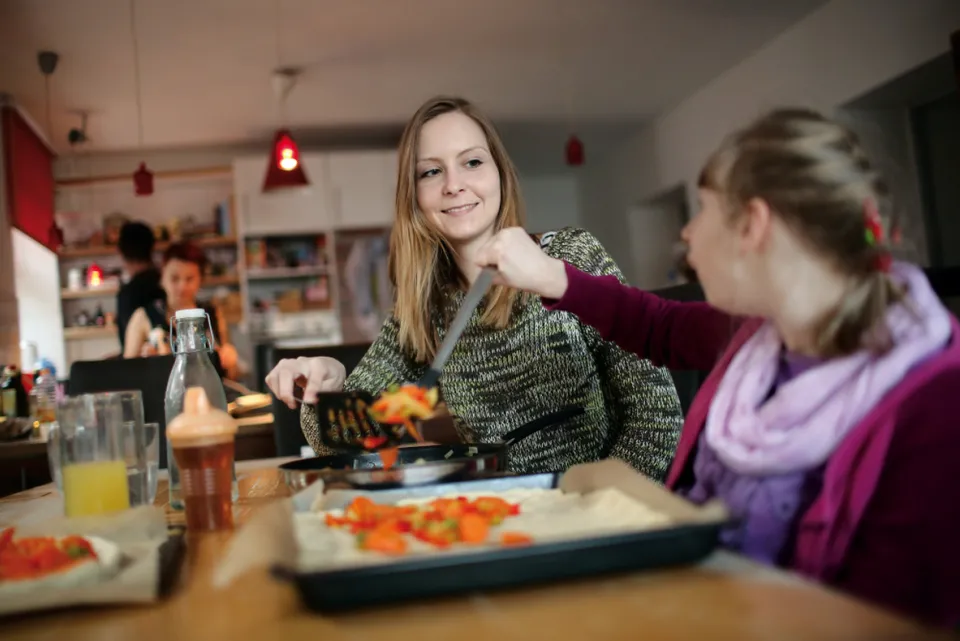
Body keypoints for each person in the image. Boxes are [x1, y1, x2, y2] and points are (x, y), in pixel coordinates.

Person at [475, 108, 960, 627]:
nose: (687, 232)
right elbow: (656, 326)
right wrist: (551, 277)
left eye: (703, 209)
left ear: (752, 225)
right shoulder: (756, 335)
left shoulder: (938, 411)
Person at [266, 95, 683, 479]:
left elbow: (656, 414)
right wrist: (329, 386)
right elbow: (346, 440)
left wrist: (597, 509)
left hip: (600, 518)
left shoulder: (570, 257)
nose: (453, 184)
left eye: (472, 162)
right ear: (413, 196)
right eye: (431, 171)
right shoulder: (424, 307)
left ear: (500, 172)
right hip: (500, 520)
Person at [123, 241, 239, 377]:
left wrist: (230, 359)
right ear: (162, 278)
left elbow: (232, 373)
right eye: (174, 278)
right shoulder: (143, 316)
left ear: (200, 280)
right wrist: (144, 361)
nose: (182, 287)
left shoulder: (212, 314)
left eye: (189, 279)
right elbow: (127, 373)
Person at [115, 221, 165, 351]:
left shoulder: (127, 293)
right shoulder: (165, 283)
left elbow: (128, 345)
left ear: (120, 252)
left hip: (141, 365)